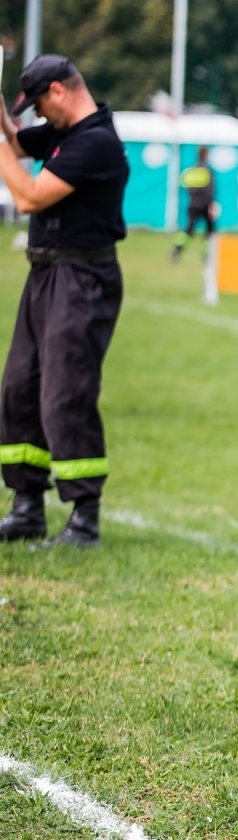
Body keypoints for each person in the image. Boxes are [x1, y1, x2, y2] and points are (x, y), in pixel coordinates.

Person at [0, 55, 129, 547]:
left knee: (65, 392)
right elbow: (18, 141)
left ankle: (84, 519)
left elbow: (29, 196)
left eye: (38, 104)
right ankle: (27, 508)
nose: (36, 114)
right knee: (19, 388)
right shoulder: (62, 133)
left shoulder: (94, 143)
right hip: (47, 273)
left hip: (82, 278)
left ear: (58, 91)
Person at [170, 146, 218, 262]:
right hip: (205, 205)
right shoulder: (207, 171)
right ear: (206, 155)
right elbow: (210, 191)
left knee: (188, 230)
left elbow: (185, 186)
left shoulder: (191, 171)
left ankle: (177, 250)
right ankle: (209, 255)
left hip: (193, 204)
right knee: (210, 232)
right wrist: (211, 206)